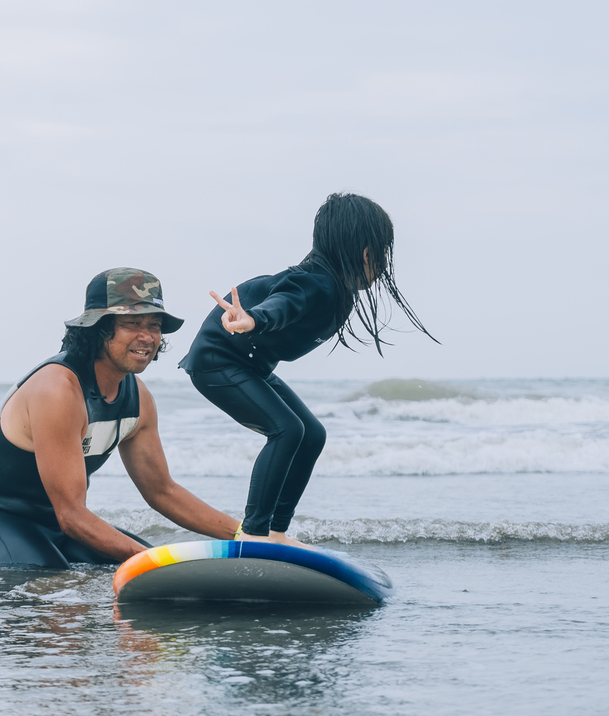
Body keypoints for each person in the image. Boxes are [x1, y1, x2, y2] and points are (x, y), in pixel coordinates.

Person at [179, 192, 437, 547]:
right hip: (217, 361)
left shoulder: (338, 290)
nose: (382, 263)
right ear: (366, 253)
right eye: (381, 252)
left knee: (311, 434)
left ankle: (276, 532)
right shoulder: (315, 283)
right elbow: (283, 304)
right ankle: (253, 534)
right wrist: (254, 319)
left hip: (251, 365)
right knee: (286, 430)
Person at [0, 267, 240, 567]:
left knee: (146, 572)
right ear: (98, 329)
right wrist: (154, 562)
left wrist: (244, 534)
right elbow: (71, 515)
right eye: (132, 323)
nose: (147, 337)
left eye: (155, 325)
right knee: (52, 582)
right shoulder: (58, 389)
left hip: (61, 524)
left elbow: (162, 492)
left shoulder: (138, 399)